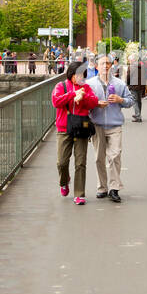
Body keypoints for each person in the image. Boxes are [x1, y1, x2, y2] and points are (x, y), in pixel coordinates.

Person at [51, 59, 99, 204]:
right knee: (62, 162)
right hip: (64, 128)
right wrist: (73, 94)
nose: (81, 78)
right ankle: (64, 181)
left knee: (80, 162)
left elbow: (94, 102)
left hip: (81, 127)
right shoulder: (61, 86)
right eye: (78, 75)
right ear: (71, 74)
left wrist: (83, 97)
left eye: (83, 75)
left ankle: (79, 194)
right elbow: (56, 102)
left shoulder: (86, 87)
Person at [88, 56, 134, 203]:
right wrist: (95, 103)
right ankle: (102, 187)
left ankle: (114, 188)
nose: (105, 66)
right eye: (102, 63)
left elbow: (130, 101)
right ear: (97, 66)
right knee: (98, 158)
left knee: (115, 156)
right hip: (97, 125)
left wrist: (120, 100)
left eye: (108, 63)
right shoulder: (90, 84)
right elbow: (84, 104)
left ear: (111, 66)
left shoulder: (119, 84)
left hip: (115, 125)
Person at [127, 52, 147, 121]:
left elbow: (128, 77)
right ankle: (138, 113)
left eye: (129, 60)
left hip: (133, 86)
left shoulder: (131, 67)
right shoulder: (143, 66)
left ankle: (138, 116)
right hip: (141, 86)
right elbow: (146, 75)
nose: (129, 62)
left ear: (132, 60)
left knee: (134, 101)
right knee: (139, 101)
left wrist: (127, 85)